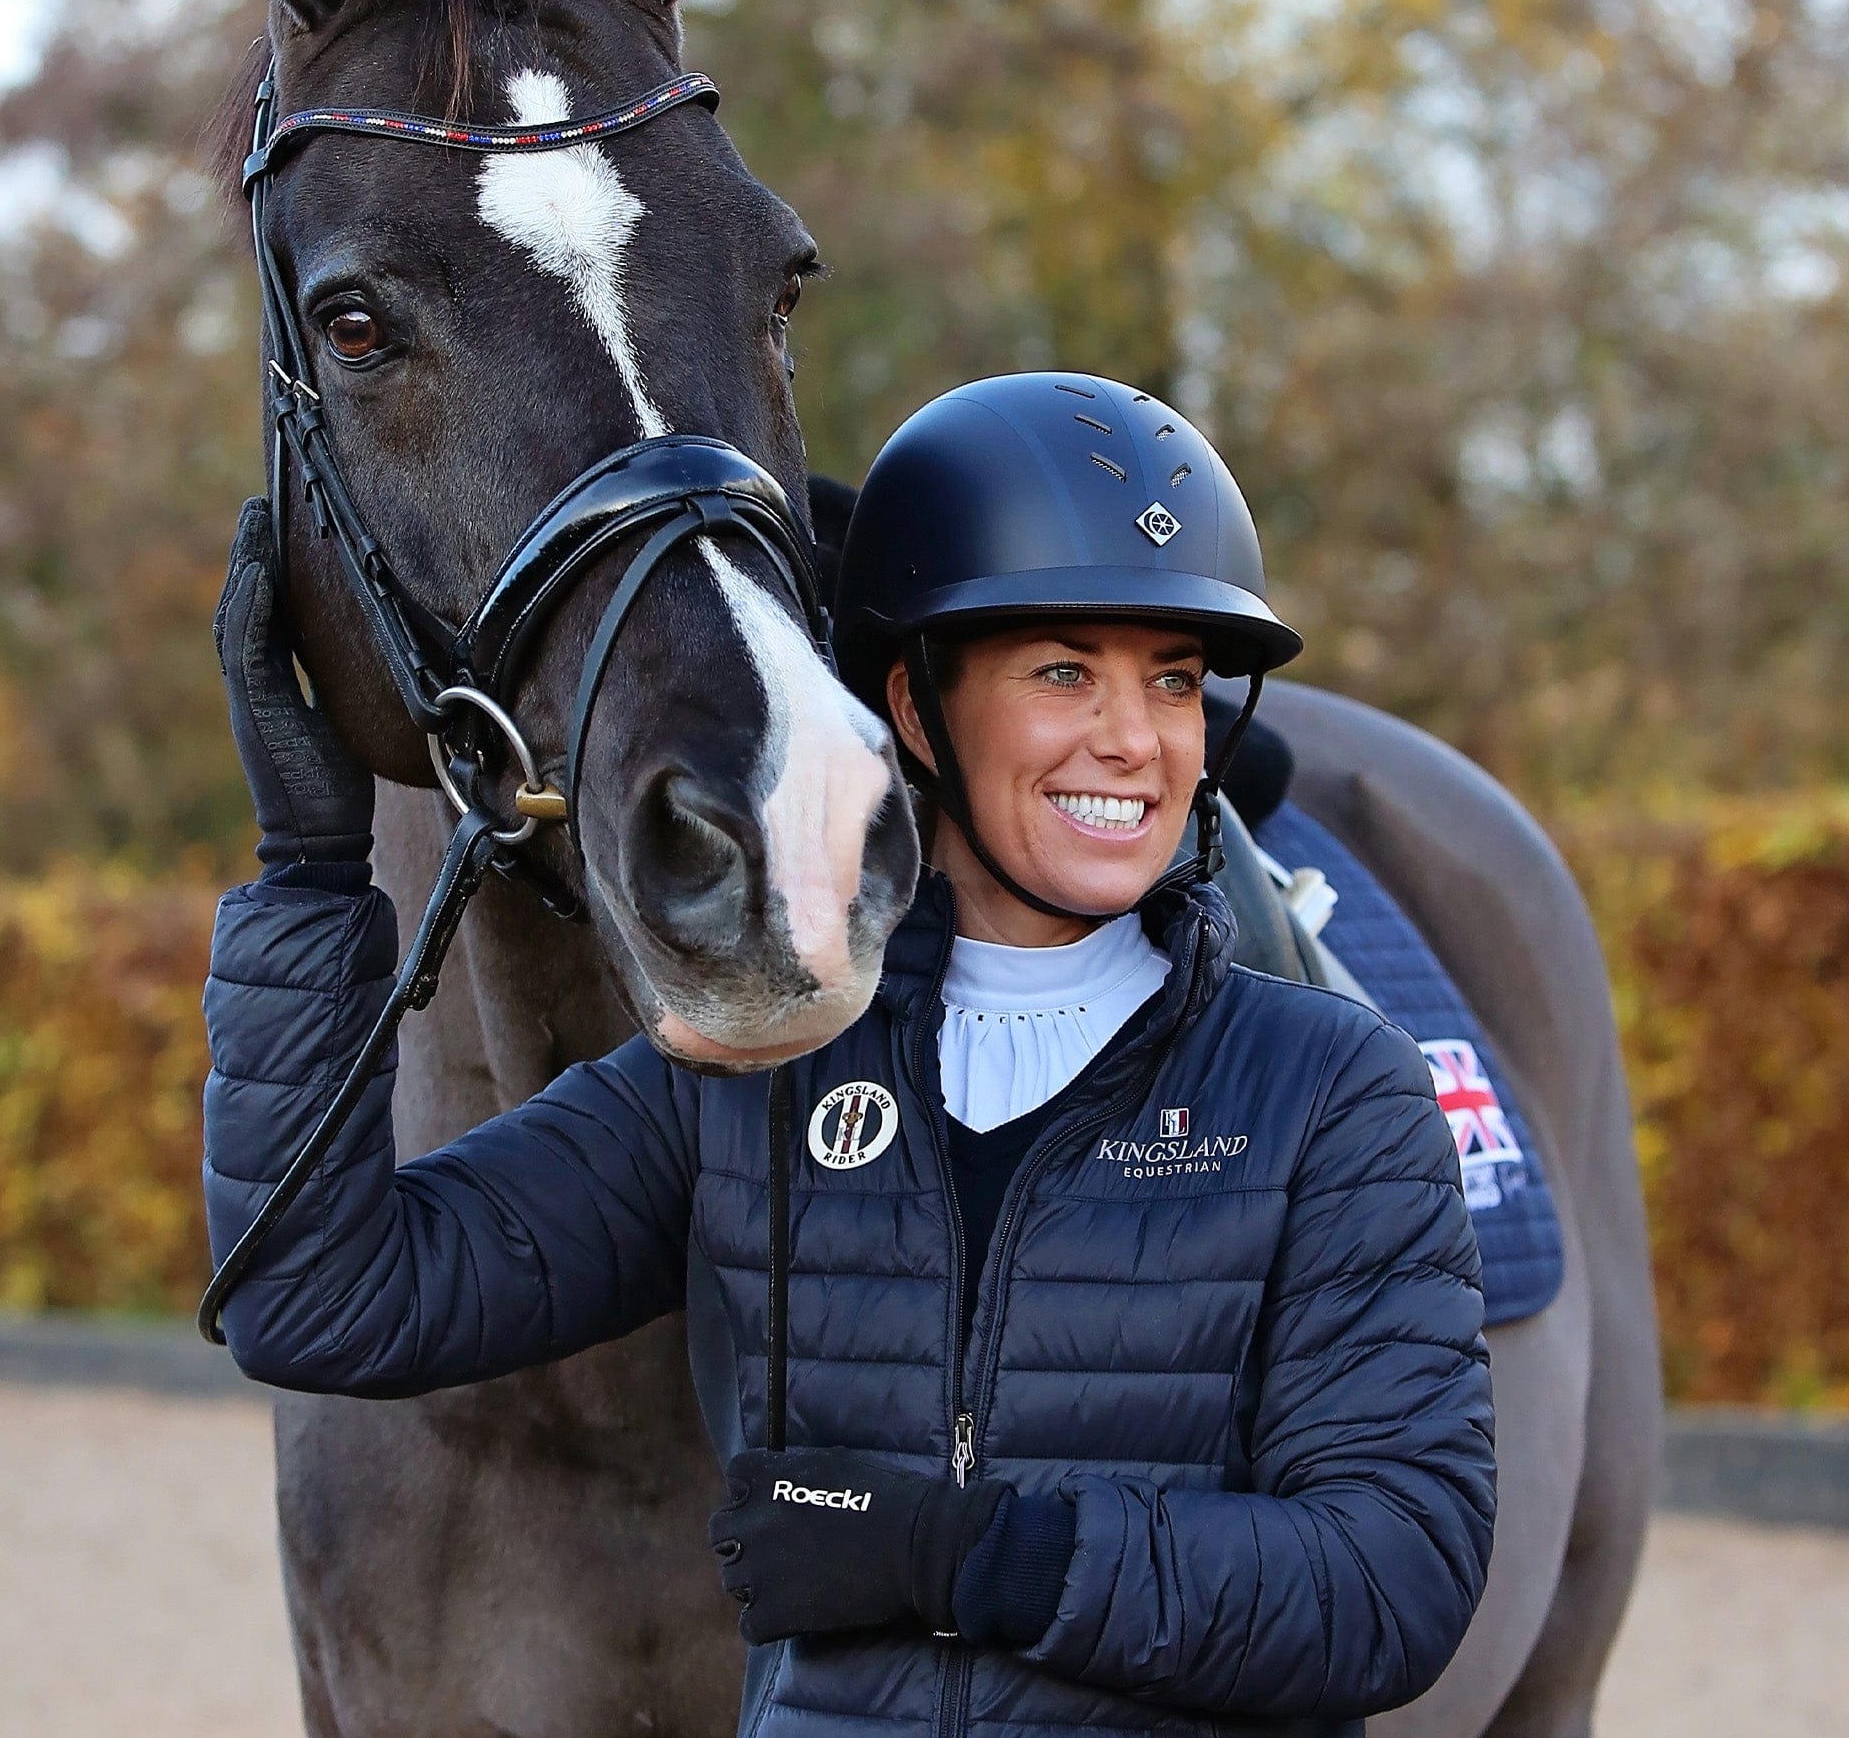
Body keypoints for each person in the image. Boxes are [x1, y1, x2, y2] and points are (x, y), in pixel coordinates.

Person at [203, 371, 1495, 1738]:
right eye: (1065, 671)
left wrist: (963, 1554)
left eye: (1172, 682)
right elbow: (319, 1298)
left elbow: (1392, 1578)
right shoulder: (757, 1076)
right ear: (918, 707)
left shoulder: (1335, 1090)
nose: (1135, 741)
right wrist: (307, 869)